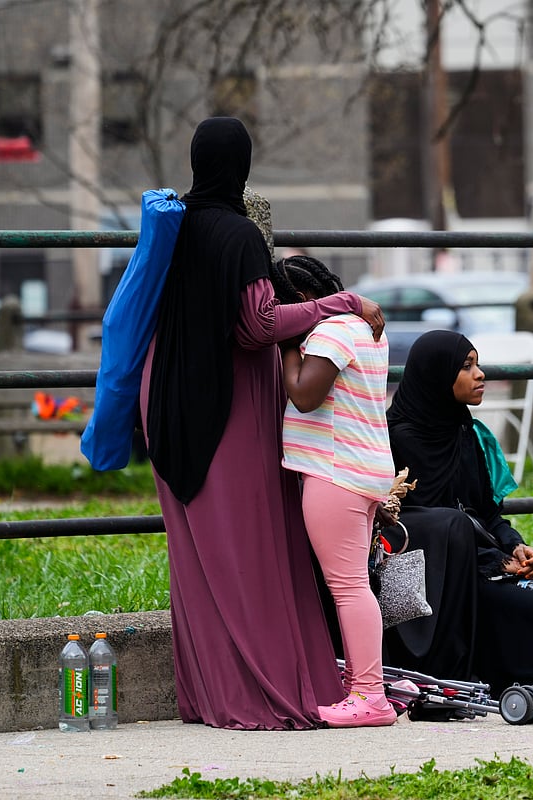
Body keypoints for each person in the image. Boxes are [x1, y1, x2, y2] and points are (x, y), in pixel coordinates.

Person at [140, 116, 385, 730]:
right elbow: (257, 326)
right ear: (242, 166)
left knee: (197, 559)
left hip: (166, 396)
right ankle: (261, 690)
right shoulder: (240, 235)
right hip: (228, 405)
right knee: (249, 549)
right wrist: (343, 302)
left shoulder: (173, 225)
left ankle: (208, 694)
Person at [385, 329, 533, 699]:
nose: (480, 375)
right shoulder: (396, 442)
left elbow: (486, 515)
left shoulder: (464, 433)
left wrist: (517, 548)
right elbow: (408, 529)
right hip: (443, 586)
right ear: (437, 375)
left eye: (478, 364)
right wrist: (489, 565)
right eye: (466, 367)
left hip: (489, 565)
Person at [272, 254, 398, 727]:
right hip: (362, 470)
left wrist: (286, 345)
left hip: (334, 471)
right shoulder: (364, 329)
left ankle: (370, 696)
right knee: (354, 585)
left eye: (283, 309)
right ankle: (363, 689)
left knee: (347, 588)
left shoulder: (330, 332)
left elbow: (305, 396)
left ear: (303, 302)